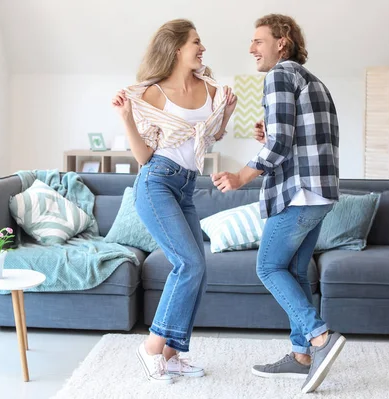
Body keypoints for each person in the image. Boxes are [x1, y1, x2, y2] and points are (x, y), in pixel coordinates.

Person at [211, 14, 343, 393]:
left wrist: (240, 175)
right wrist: (269, 132)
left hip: (297, 194)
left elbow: (281, 145)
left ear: (281, 42)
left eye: (258, 41)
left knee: (268, 267)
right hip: (319, 193)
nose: (251, 49)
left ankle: (320, 338)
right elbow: (298, 138)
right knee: (297, 272)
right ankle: (302, 356)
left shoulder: (279, 76)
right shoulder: (312, 81)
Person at [112, 19, 237, 384]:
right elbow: (143, 157)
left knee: (198, 268)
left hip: (185, 186)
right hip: (156, 183)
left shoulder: (210, 89)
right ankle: (151, 347)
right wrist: (126, 120)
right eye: (196, 42)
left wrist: (226, 110)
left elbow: (209, 139)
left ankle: (171, 353)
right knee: (189, 264)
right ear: (177, 48)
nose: (202, 48)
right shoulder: (152, 94)